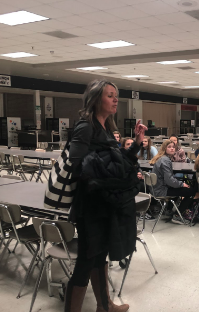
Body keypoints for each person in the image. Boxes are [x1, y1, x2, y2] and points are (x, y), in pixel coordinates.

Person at [66, 79, 147, 312]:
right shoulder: (85, 127)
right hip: (90, 206)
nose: (115, 99)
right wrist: (102, 174)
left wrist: (136, 144)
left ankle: (105, 306)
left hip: (105, 205)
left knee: (100, 257)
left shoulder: (106, 129)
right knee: (86, 261)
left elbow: (117, 165)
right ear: (95, 98)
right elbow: (76, 166)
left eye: (116, 95)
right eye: (110, 95)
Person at [149, 140, 196, 224]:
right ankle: (177, 215)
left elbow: (169, 179)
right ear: (164, 148)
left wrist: (179, 184)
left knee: (179, 186)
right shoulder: (165, 160)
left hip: (156, 188)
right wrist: (182, 184)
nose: (172, 149)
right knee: (191, 191)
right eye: (169, 147)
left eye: (173, 147)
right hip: (161, 190)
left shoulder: (162, 158)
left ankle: (169, 210)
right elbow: (169, 181)